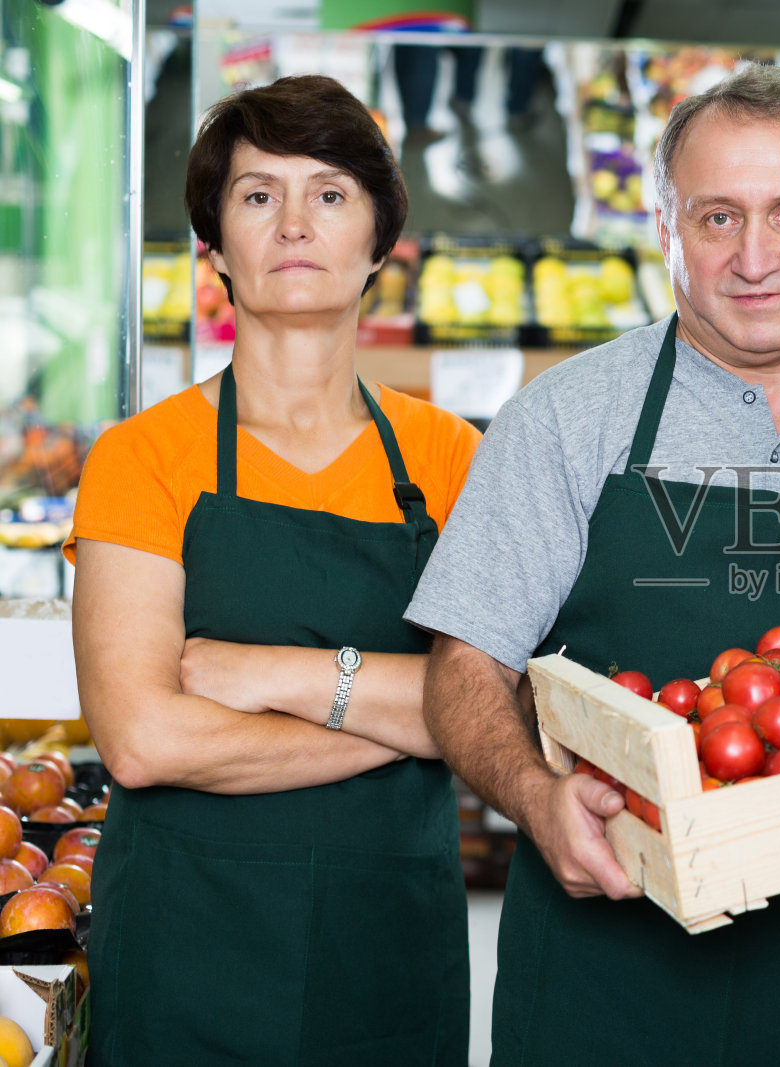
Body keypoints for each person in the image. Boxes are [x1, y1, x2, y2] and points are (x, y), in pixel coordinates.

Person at [407, 63, 780, 1065]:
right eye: (716, 217)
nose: (755, 256)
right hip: (606, 981)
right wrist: (534, 797)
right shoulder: (566, 421)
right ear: (665, 229)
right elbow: (464, 668)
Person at [68, 75, 479, 1065]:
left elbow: (510, 712)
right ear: (213, 245)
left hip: (387, 949)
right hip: (185, 955)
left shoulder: (455, 461)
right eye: (257, 195)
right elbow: (140, 740)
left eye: (330, 193)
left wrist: (276, 676)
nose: (294, 222)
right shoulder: (141, 455)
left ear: (381, 239)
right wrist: (417, 716)